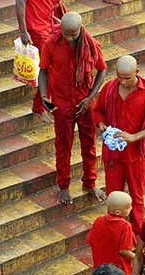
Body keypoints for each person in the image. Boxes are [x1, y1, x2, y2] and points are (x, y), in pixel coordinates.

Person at [39, 12, 107, 204]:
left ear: (80, 29)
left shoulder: (90, 43)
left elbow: (102, 70)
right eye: (66, 33)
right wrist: (45, 96)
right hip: (61, 105)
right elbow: (43, 71)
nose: (69, 38)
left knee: (89, 145)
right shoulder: (50, 44)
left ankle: (90, 182)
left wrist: (90, 98)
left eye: (73, 34)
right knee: (63, 146)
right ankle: (64, 185)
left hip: (85, 104)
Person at [96, 55, 145, 240]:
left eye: (128, 77)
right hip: (113, 154)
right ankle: (115, 232)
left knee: (137, 197)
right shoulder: (109, 88)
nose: (123, 81)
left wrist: (134, 137)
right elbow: (98, 111)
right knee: (114, 195)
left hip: (137, 154)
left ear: (137, 73)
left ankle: (135, 235)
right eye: (120, 77)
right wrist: (102, 125)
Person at [16, 0, 69, 122]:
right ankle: (39, 106)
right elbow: (21, 0)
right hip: (37, 29)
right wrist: (24, 31)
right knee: (51, 68)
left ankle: (44, 103)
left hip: (47, 23)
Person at [88, 191, 137, 275]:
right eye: (128, 207)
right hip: (119, 269)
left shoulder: (99, 221)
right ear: (118, 212)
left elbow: (89, 240)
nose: (131, 208)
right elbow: (124, 251)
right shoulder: (125, 226)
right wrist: (137, 257)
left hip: (100, 268)